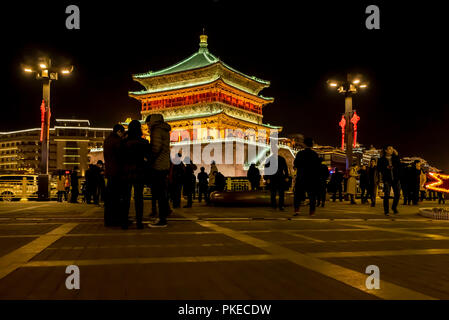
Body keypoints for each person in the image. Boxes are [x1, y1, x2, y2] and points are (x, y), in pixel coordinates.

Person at [120, 120, 150, 230]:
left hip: (126, 172)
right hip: (139, 171)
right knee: (139, 197)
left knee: (126, 197)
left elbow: (120, 158)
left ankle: (124, 222)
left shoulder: (124, 143)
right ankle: (139, 222)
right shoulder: (144, 142)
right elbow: (149, 157)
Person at [146, 114, 171, 227]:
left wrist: (149, 160)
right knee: (162, 191)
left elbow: (156, 148)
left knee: (159, 192)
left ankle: (162, 219)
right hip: (165, 163)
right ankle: (164, 214)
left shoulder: (156, 130)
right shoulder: (165, 130)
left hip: (158, 165)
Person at [103, 123, 125, 226]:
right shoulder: (117, 141)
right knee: (116, 197)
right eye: (122, 133)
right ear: (119, 132)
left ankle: (108, 220)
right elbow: (121, 157)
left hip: (110, 172)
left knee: (110, 198)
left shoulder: (107, 140)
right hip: (117, 172)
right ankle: (116, 219)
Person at [292, 137, 319, 215]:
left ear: (304, 144)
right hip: (311, 178)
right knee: (312, 195)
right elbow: (317, 167)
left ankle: (297, 210)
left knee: (297, 194)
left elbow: (296, 164)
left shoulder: (300, 153)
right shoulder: (315, 154)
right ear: (312, 145)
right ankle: (312, 212)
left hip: (301, 176)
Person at [378, 145, 401, 216]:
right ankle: (386, 210)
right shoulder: (381, 159)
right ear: (386, 150)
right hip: (387, 179)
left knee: (397, 194)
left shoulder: (395, 158)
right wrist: (386, 167)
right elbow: (379, 169)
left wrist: (397, 155)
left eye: (392, 149)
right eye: (390, 149)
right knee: (386, 195)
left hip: (395, 179)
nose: (391, 150)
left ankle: (394, 207)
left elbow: (399, 166)